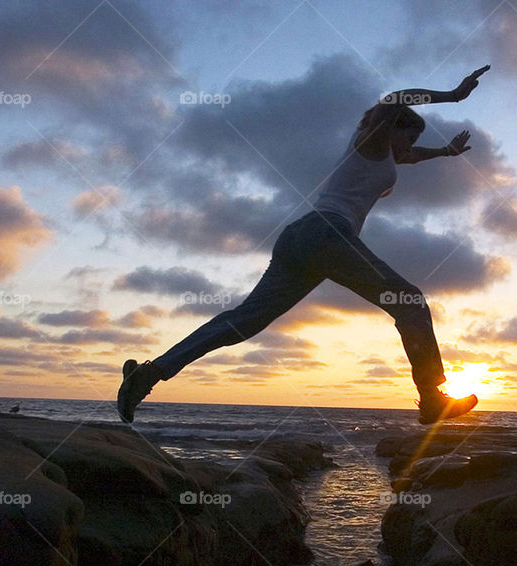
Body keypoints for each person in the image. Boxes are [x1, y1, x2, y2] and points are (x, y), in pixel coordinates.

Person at [118, 65, 491, 424]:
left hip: (302, 241)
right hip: (327, 234)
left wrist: (443, 153)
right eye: (408, 136)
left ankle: (148, 375)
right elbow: (394, 98)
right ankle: (431, 399)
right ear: (390, 127)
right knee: (410, 302)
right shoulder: (370, 140)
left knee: (243, 322)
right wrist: (454, 96)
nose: (410, 147)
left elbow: (407, 157)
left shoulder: (379, 153)